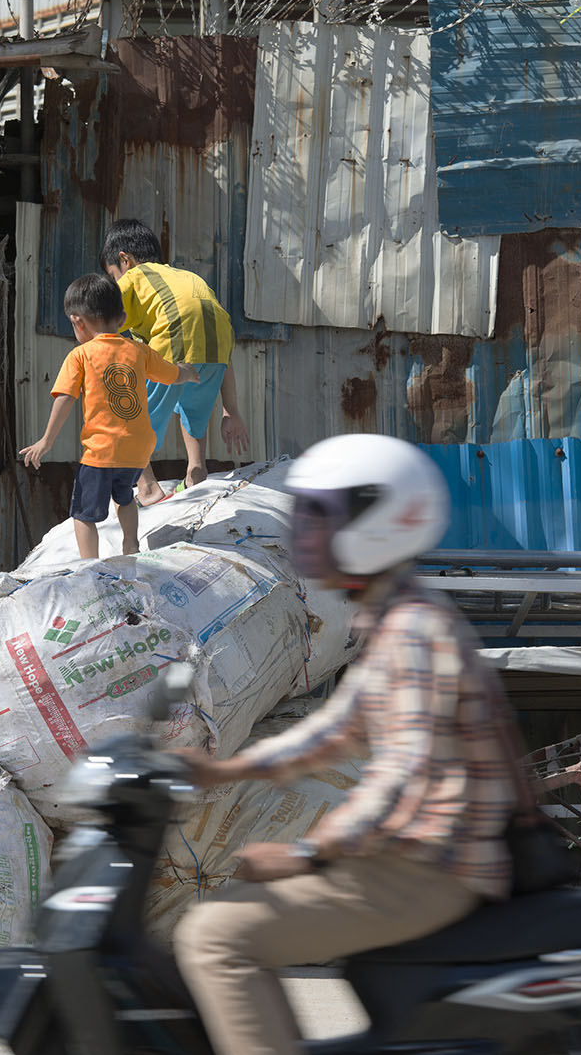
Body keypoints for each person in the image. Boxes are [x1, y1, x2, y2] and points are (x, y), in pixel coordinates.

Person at [171, 434, 517, 1055]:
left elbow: (401, 775)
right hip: (420, 857)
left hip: (428, 866)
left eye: (318, 517)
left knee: (216, 935)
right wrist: (224, 772)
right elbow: (337, 732)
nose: (303, 533)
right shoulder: (391, 615)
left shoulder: (412, 631)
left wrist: (307, 852)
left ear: (374, 524)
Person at [21, 273, 198, 559]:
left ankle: (89, 564)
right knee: (126, 496)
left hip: (102, 451)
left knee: (83, 514)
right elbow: (171, 375)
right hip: (138, 449)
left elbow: (65, 398)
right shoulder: (138, 350)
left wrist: (46, 440)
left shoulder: (80, 355)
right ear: (122, 317)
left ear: (77, 322)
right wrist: (188, 372)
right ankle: (131, 545)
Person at [100, 218, 250, 506]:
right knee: (191, 405)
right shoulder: (186, 278)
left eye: (112, 274)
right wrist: (230, 410)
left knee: (126, 412)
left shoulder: (134, 277)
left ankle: (147, 489)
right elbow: (222, 353)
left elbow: (105, 317)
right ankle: (197, 471)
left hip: (176, 338)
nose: (114, 281)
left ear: (124, 260)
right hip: (217, 349)